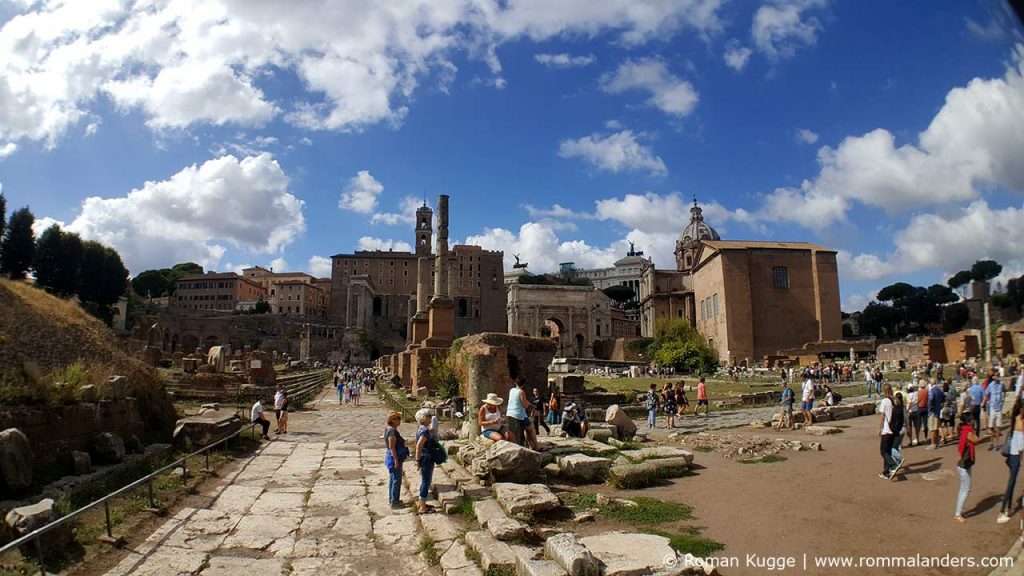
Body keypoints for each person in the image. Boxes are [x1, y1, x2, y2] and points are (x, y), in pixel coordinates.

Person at [997, 395, 1023, 524]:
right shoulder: (1021, 421)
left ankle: (1007, 508)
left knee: (1012, 483)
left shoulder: (1015, 418)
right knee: (1011, 483)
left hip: (1012, 455)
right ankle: (1002, 510)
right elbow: (1021, 443)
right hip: (1015, 456)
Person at [955, 412, 980, 522]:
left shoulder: (965, 430)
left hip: (964, 463)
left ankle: (959, 510)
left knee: (963, 489)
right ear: (969, 421)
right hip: (964, 464)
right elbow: (977, 440)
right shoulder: (968, 432)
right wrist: (974, 429)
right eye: (972, 420)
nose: (974, 421)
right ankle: (957, 514)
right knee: (966, 489)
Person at [414, 408, 435, 514]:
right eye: (428, 416)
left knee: (425, 480)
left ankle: (423, 503)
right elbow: (419, 446)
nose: (431, 417)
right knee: (426, 482)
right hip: (426, 457)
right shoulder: (425, 431)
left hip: (424, 457)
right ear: (424, 418)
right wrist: (417, 460)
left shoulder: (421, 428)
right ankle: (422, 507)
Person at [878, 384, 902, 480]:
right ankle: (886, 472)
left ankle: (893, 464)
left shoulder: (885, 401)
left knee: (883, 451)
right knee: (888, 451)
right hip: (894, 429)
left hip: (887, 429)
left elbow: (882, 416)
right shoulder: (896, 400)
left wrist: (880, 428)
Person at [507, 377, 538, 450]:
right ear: (523, 385)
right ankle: (536, 446)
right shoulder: (521, 392)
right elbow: (524, 404)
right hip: (519, 414)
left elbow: (521, 400)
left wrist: (530, 404)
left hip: (510, 412)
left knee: (526, 429)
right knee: (531, 428)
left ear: (515, 383)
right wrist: (530, 406)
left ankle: (531, 445)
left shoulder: (512, 390)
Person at [384, 411, 407, 509]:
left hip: (392, 456)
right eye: (398, 419)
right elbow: (392, 446)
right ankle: (395, 501)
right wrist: (396, 460)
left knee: (393, 478)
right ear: (393, 420)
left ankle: (392, 499)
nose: (399, 420)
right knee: (397, 479)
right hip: (394, 457)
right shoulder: (392, 432)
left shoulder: (388, 429)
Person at [984, 374, 1006, 450]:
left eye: (997, 376)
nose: (996, 377)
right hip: (993, 406)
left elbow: (1004, 391)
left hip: (999, 406)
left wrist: (1003, 400)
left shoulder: (1001, 384)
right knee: (991, 426)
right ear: (993, 377)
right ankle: (991, 442)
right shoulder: (991, 385)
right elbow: (986, 393)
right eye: (995, 376)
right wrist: (988, 402)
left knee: (998, 426)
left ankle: (996, 444)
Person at [890, 390, 906, 479]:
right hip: (904, 429)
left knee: (890, 448)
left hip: (898, 430)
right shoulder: (903, 407)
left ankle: (899, 459)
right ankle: (896, 463)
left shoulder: (896, 409)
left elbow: (894, 421)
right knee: (896, 447)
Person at [926, 379, 946, 450]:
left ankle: (933, 443)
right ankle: (936, 442)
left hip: (932, 412)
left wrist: (929, 406)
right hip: (937, 410)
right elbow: (944, 398)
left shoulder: (932, 391)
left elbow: (930, 400)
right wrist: (941, 405)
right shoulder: (939, 390)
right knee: (936, 428)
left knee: (932, 429)